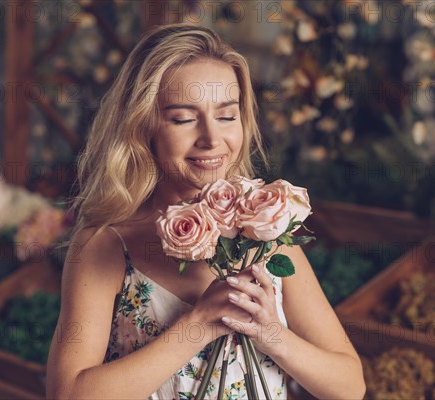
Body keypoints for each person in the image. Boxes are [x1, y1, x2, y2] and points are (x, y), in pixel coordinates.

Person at [46, 23, 365, 400]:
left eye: (227, 116)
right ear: (143, 127)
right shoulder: (106, 245)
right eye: (183, 119)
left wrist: (271, 334)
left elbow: (350, 386)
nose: (212, 139)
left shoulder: (267, 232)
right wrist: (198, 324)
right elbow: (67, 394)